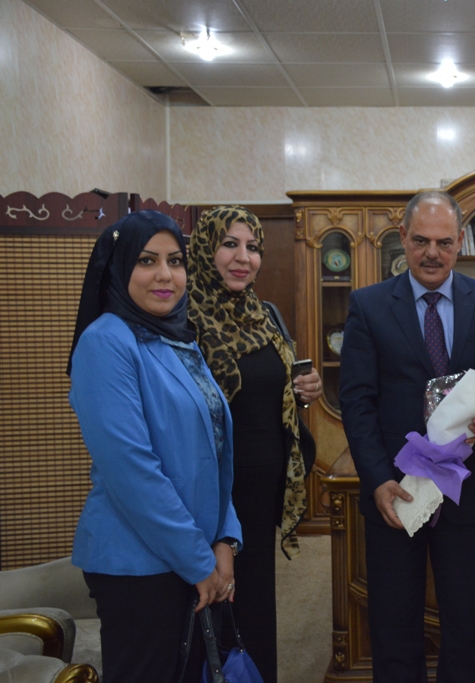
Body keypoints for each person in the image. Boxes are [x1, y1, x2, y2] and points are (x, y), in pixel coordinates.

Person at [338, 191, 475, 683]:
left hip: (464, 490)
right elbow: (356, 402)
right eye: (420, 240)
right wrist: (377, 479)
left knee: (464, 624)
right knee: (393, 623)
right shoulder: (368, 306)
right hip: (395, 492)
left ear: (460, 241)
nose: (431, 253)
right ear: (403, 237)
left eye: (444, 242)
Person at [67, 211, 241, 683]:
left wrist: (225, 538)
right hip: (140, 566)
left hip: (196, 555)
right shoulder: (105, 343)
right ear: (118, 268)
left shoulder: (178, 340)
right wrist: (198, 560)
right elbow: (132, 470)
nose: (165, 275)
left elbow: (215, 451)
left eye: (175, 261)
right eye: (147, 261)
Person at [186, 205, 323, 683]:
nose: (243, 258)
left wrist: (303, 392)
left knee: (256, 602)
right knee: (211, 604)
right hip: (211, 489)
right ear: (205, 250)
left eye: (252, 247)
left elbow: (272, 389)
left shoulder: (265, 315)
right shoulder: (183, 319)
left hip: (263, 489)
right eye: (230, 244)